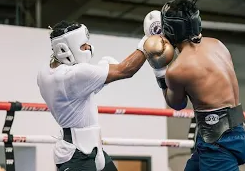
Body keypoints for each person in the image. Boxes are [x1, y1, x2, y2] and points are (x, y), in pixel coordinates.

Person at [37, 10, 161, 171]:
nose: (89, 47)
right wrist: (148, 40)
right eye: (83, 45)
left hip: (93, 149)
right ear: (64, 49)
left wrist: (99, 77)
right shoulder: (75, 75)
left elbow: (77, 93)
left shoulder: (45, 73)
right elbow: (126, 70)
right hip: (77, 156)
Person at [142, 0, 245, 171]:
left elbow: (176, 104)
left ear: (169, 29)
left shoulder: (179, 69)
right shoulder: (217, 44)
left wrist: (159, 70)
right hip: (229, 132)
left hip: (217, 144)